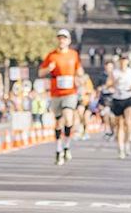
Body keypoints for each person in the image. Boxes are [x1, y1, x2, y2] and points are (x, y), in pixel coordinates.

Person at [39, 29, 85, 165]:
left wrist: (80, 77)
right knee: (58, 122)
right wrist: (49, 69)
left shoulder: (73, 55)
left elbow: (79, 70)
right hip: (55, 92)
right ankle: (59, 149)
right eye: (60, 38)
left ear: (69, 41)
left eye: (64, 38)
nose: (62, 40)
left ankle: (67, 145)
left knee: (68, 116)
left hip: (70, 92)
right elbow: (41, 72)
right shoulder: (51, 55)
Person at [105, 54, 131, 159]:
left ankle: (127, 142)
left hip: (128, 98)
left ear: (128, 61)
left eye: (125, 60)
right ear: (119, 61)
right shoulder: (114, 72)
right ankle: (121, 148)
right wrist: (115, 82)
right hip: (117, 99)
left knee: (128, 122)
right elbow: (108, 84)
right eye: (122, 60)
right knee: (119, 125)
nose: (123, 62)